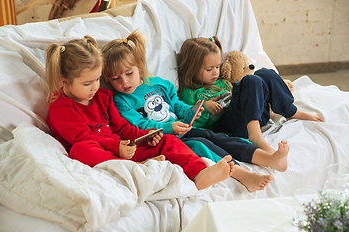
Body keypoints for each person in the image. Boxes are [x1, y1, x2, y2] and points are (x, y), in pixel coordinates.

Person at [100, 31, 293, 192]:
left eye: (128, 74)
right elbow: (141, 126)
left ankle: (267, 158)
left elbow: (177, 105)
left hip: (185, 128)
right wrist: (169, 128)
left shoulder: (159, 84)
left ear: (139, 67)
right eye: (116, 78)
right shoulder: (120, 100)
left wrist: (192, 111)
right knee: (202, 146)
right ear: (108, 80)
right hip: (169, 138)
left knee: (220, 138)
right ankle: (244, 176)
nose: (124, 82)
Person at [44, 35, 235, 190]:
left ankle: (200, 173)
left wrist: (147, 136)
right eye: (87, 83)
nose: (95, 87)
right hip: (103, 155)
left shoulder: (104, 97)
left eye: (97, 80)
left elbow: (123, 127)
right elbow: (83, 138)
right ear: (64, 82)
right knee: (80, 150)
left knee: (169, 140)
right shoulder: (60, 109)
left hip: (125, 150)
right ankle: (139, 166)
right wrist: (117, 146)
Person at [177, 36, 324, 155]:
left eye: (217, 66)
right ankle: (256, 137)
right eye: (209, 69)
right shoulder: (189, 93)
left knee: (265, 73)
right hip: (229, 128)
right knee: (251, 79)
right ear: (192, 68)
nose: (216, 72)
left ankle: (291, 111)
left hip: (253, 116)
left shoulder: (221, 82)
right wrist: (204, 107)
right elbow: (190, 123)